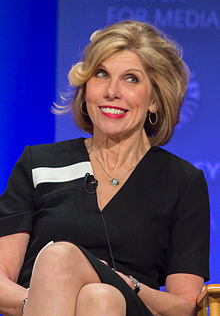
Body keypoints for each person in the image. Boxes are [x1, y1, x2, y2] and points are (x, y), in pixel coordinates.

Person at [0, 20, 209, 316]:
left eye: (131, 79)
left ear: (154, 99)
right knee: (98, 299)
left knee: (75, 269)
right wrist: (45, 301)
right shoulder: (39, 164)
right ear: (86, 89)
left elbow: (183, 306)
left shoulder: (182, 182)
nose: (112, 91)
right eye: (101, 74)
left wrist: (130, 286)